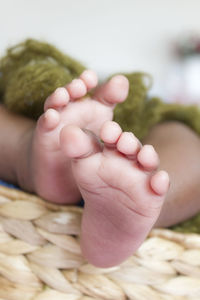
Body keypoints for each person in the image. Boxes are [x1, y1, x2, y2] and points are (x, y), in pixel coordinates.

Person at [0, 69, 200, 268]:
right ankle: (31, 156)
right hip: (43, 112)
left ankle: (136, 201)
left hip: (147, 120)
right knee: (186, 144)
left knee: (182, 131)